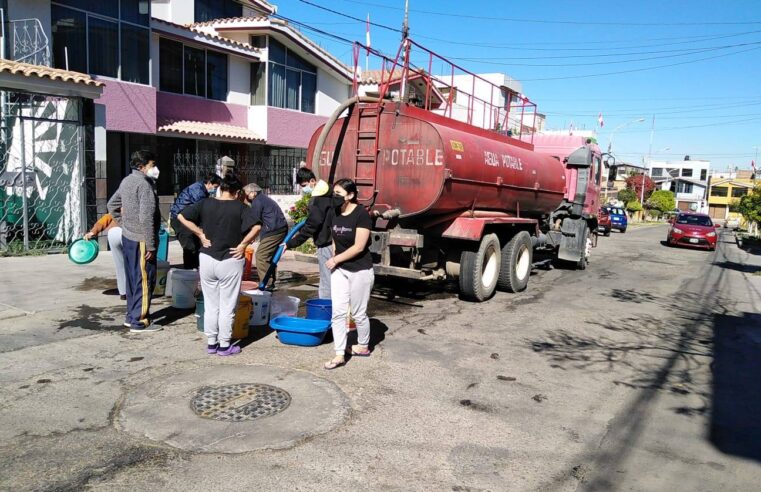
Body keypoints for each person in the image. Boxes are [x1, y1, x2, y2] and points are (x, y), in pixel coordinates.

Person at [178, 176, 259, 356]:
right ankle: (224, 345)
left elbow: (181, 216)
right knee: (227, 305)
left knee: (211, 304)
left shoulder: (205, 203)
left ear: (220, 189)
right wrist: (243, 244)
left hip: (207, 258)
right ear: (237, 193)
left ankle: (211, 343)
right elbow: (257, 226)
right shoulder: (241, 207)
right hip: (230, 259)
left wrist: (200, 234)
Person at [107, 150, 162, 333]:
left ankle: (132, 316)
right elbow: (146, 217)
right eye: (152, 165)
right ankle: (140, 320)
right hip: (141, 239)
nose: (154, 169)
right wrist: (151, 245)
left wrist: (125, 225)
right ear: (141, 166)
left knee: (133, 279)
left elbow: (111, 205)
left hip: (129, 237)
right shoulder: (144, 185)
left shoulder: (127, 181)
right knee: (144, 280)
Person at [323, 178, 375, 370]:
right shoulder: (333, 213)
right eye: (333, 193)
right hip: (340, 270)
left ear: (351, 195)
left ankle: (362, 346)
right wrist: (336, 260)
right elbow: (335, 240)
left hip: (360, 270)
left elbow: (359, 246)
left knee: (359, 314)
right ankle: (339, 354)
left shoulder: (361, 214)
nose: (335, 197)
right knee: (338, 313)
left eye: (339, 194)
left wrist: (335, 259)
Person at [282, 168, 335, 298]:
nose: (304, 189)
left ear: (312, 181)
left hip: (326, 243)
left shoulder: (318, 200)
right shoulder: (333, 192)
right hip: (337, 240)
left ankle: (326, 309)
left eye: (304, 186)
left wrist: (290, 243)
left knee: (327, 280)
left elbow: (312, 226)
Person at [170, 174, 221, 269]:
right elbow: (201, 209)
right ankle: (189, 271)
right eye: (215, 187)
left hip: (187, 219)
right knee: (190, 247)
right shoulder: (198, 191)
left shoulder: (202, 189)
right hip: (181, 220)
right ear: (209, 183)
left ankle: (194, 269)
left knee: (195, 246)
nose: (215, 189)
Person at [242, 183, 288, 288]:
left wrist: (249, 235)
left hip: (274, 231)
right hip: (278, 229)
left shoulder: (257, 201)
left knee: (261, 256)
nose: (246, 196)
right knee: (269, 257)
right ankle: (270, 282)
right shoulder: (263, 199)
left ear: (253, 193)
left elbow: (254, 221)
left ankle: (266, 283)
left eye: (247, 194)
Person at [84, 212, 126, 300]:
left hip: (113, 232)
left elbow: (105, 219)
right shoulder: (135, 204)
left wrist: (92, 232)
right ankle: (135, 291)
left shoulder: (116, 207)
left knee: (120, 264)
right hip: (128, 232)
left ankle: (123, 292)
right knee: (134, 263)